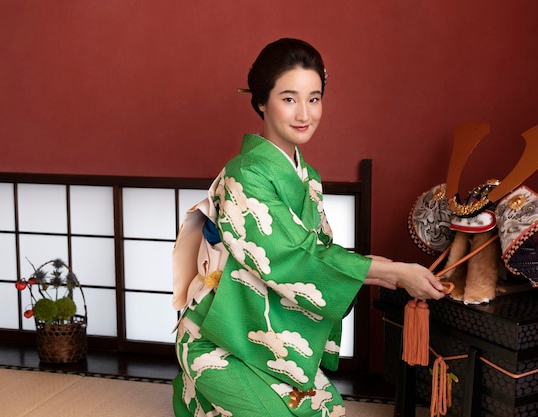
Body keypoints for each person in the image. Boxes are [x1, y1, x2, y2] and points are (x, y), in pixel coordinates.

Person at [172, 38, 445, 417]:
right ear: (261, 101)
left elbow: (315, 252)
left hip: (266, 340)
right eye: (289, 98)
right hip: (218, 335)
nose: (304, 113)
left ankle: (205, 400)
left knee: (330, 412)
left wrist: (373, 270)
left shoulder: (308, 178)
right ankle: (199, 385)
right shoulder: (244, 174)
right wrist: (392, 271)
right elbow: (293, 258)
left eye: (314, 98)